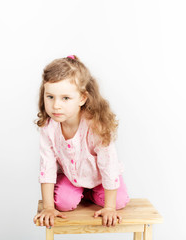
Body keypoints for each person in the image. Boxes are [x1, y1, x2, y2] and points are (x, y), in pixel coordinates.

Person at [33, 55, 130, 228]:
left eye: (65, 98)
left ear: (82, 98)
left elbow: (108, 164)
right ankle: (79, 192)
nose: (56, 105)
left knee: (119, 201)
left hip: (99, 178)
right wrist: (48, 207)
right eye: (50, 97)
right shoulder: (49, 127)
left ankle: (90, 193)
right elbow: (47, 165)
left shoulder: (95, 126)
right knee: (62, 203)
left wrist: (108, 207)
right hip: (73, 177)